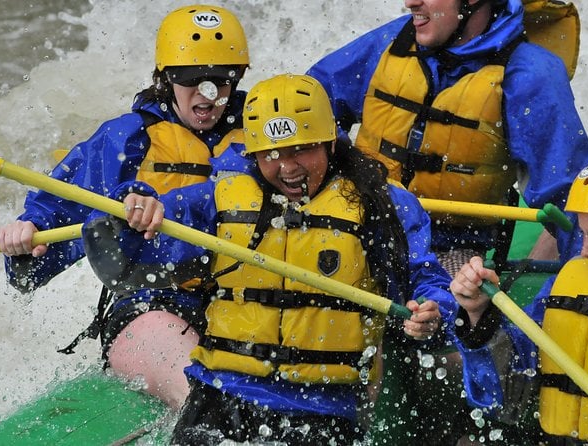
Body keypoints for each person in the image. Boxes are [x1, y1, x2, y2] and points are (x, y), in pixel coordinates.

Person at [82, 73, 457, 445]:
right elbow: (130, 255)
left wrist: (432, 309)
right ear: (254, 153)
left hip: (323, 409)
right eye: (272, 154)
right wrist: (134, 203)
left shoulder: (381, 205)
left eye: (301, 150)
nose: (288, 168)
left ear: (329, 142)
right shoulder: (219, 198)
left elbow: (426, 279)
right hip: (221, 396)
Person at [307, 0, 588, 442]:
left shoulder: (529, 75)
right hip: (363, 232)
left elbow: (575, 210)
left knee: (434, 336)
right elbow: (301, 108)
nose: (411, 2)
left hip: (453, 252)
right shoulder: (395, 41)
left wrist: (554, 320)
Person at [0, 4, 250, 409]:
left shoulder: (262, 136)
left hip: (249, 299)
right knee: (209, 405)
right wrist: (26, 242)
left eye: (222, 80)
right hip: (154, 302)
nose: (208, 94)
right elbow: (52, 218)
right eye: (191, 79)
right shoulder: (127, 139)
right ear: (166, 78)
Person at [451, 155, 588, 444]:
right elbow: (505, 391)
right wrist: (477, 314)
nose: (585, 250)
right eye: (583, 234)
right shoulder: (568, 283)